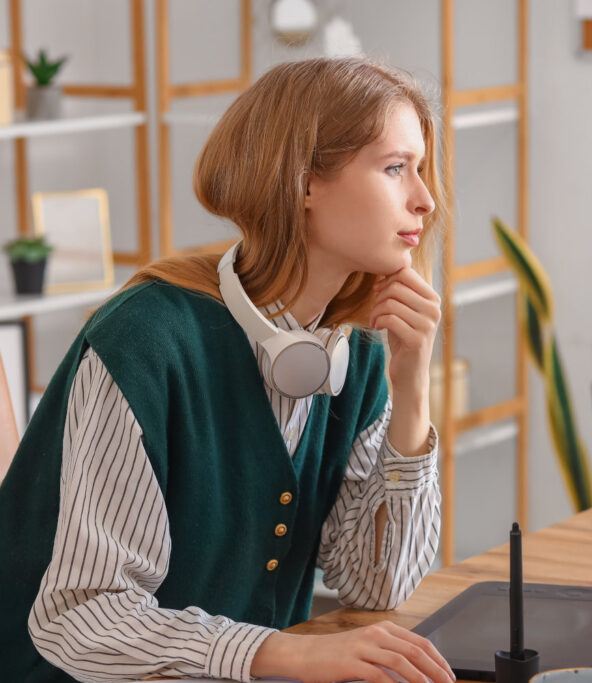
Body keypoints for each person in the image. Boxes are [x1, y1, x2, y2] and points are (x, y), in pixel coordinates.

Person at [0, 57, 457, 683]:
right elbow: (84, 614)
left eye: (421, 170)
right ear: (302, 181)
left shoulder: (361, 350)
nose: (424, 199)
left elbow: (374, 585)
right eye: (395, 168)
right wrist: (289, 653)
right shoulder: (145, 341)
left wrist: (412, 393)